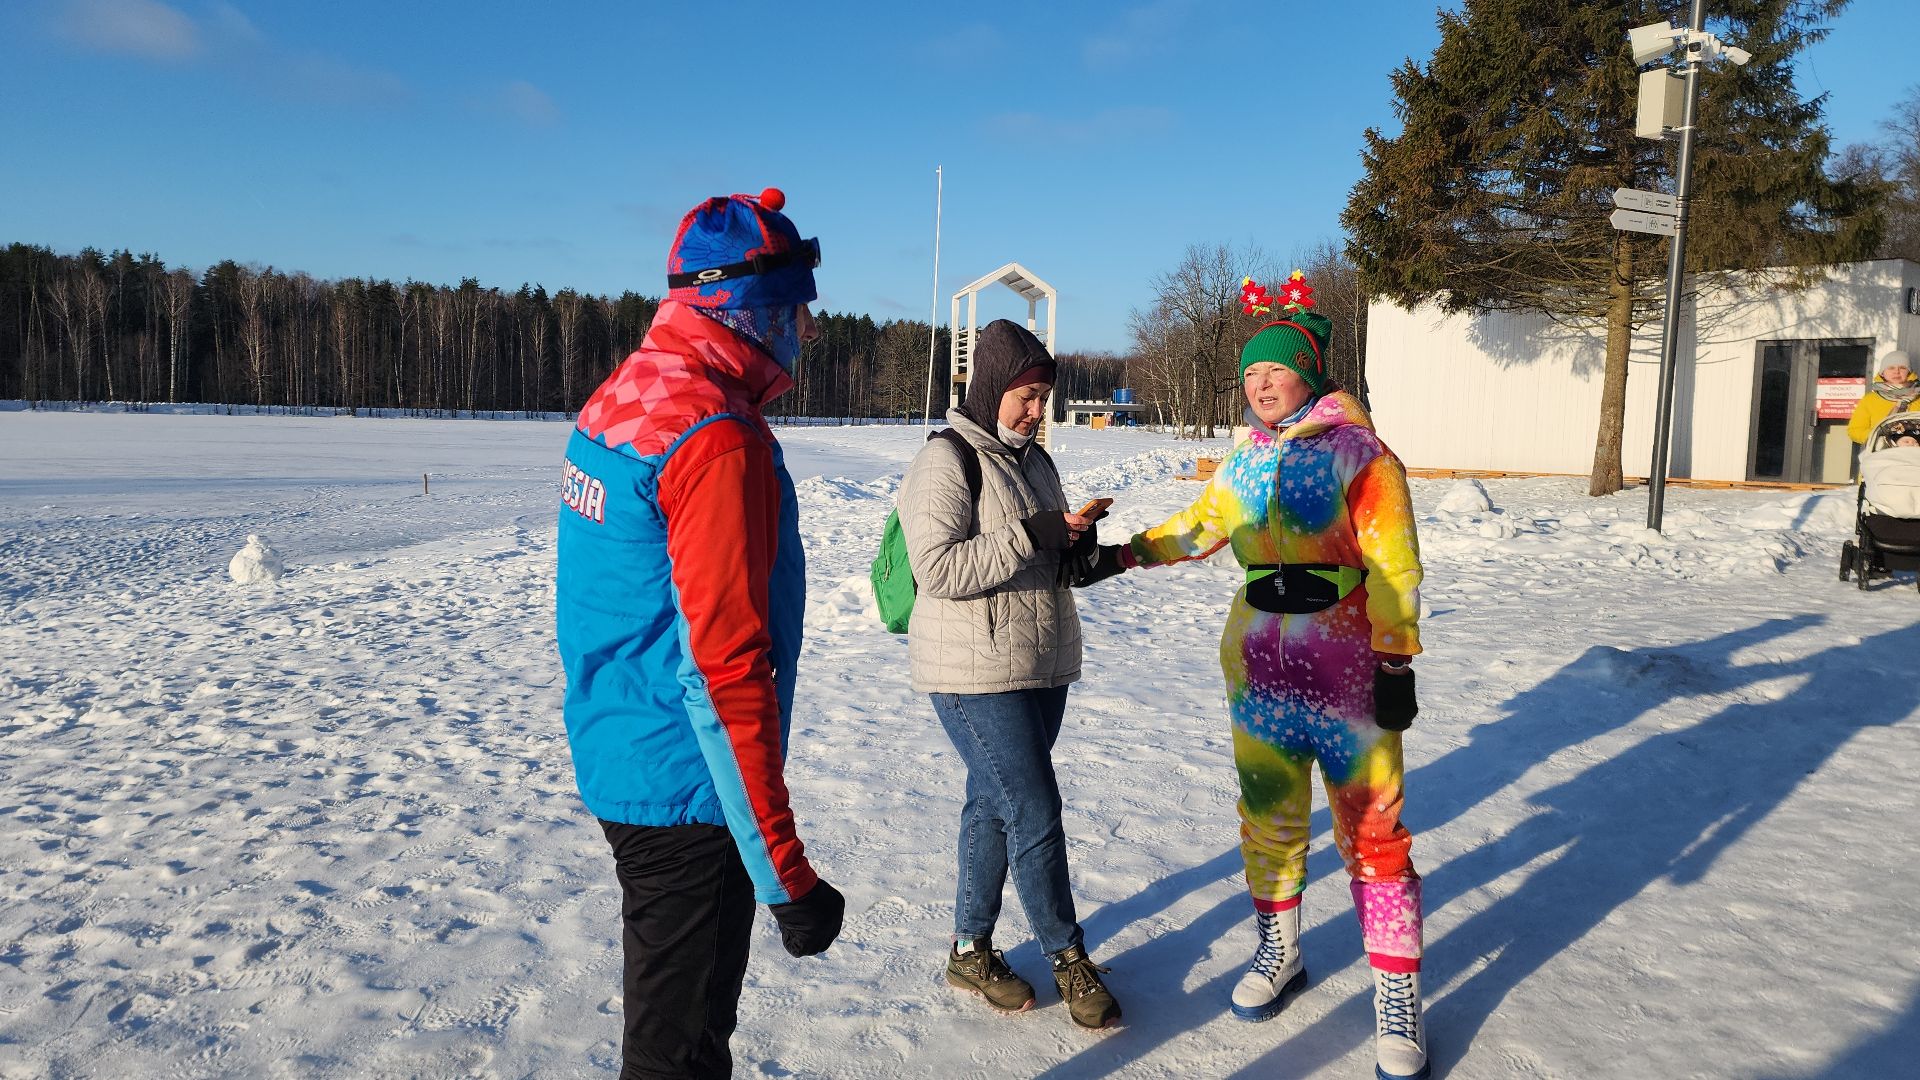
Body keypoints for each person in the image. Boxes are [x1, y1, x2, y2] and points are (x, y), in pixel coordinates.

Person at [1076, 302, 1430, 1079]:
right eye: (1251, 373)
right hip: (1258, 666)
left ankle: (1395, 994)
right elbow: (1196, 528)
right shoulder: (1243, 463)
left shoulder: (1360, 454)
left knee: (1374, 832)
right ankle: (1281, 947)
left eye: (1277, 368)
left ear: (1308, 373)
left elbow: (1395, 563)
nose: (1262, 383)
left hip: (1345, 667)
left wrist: (1396, 659)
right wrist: (1119, 556)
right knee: (1268, 819)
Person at [555, 188, 844, 1079]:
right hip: (686, 791)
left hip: (624, 753)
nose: (806, 326)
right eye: (796, 307)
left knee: (677, 1042)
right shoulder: (714, 438)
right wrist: (785, 874)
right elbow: (721, 673)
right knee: (676, 1054)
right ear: (747, 311)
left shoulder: (628, 393)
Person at [895, 319, 1122, 1030]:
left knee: (992, 804)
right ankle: (1067, 955)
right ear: (992, 385)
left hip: (1037, 662)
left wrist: (1086, 554)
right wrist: (1034, 534)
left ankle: (970, 950)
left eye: (1044, 399)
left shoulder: (1035, 462)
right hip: (971, 672)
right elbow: (937, 569)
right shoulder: (947, 461)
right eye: (1026, 395)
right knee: (1032, 806)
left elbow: (1040, 559)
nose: (1036, 411)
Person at [1847, 349, 1918, 444]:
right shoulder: (1870, 399)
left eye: (1902, 368)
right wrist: (1880, 438)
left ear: (1909, 372)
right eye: (1891, 368)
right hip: (1880, 455)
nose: (1896, 372)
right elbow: (1855, 430)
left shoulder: (1918, 398)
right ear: (1882, 373)